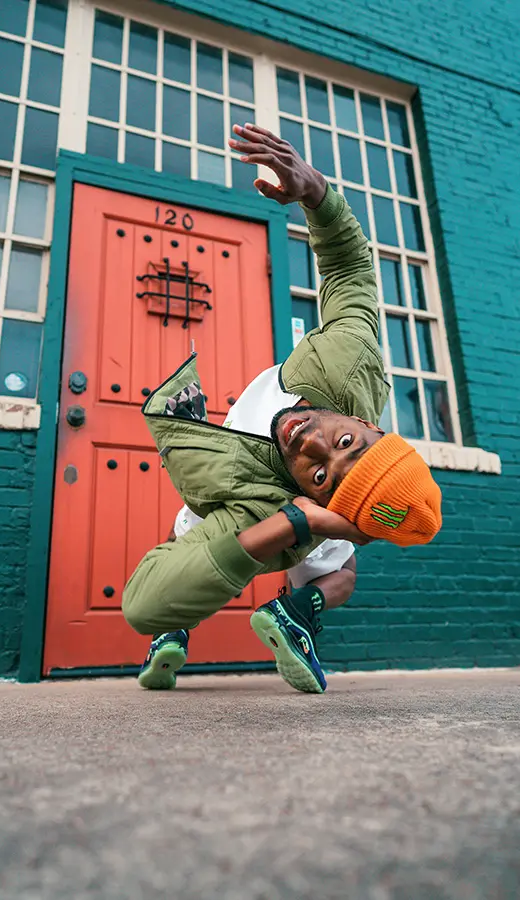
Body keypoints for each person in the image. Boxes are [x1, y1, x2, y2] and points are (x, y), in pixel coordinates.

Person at [123, 123, 442, 694]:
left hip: (260, 505)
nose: (310, 444)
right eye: (345, 443)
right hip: (261, 496)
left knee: (183, 556)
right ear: (369, 423)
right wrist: (318, 195)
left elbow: (142, 601)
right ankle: (298, 615)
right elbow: (349, 269)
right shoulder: (346, 364)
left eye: (321, 475)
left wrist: (296, 520)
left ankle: (172, 635)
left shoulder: (264, 508)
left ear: (319, 496)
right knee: (342, 573)